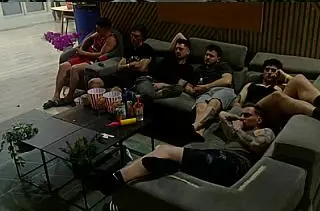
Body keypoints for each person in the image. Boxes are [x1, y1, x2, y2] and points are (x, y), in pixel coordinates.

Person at [92, 104, 274, 202]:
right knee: (160, 151)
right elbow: (222, 115)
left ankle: (114, 180)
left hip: (234, 164)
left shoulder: (265, 131)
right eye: (242, 114)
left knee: (165, 150)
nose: (242, 117)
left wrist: (238, 129)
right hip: (219, 159)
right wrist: (237, 118)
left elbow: (257, 145)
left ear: (259, 119)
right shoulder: (237, 130)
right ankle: (167, 167)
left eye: (247, 115)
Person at [46, 18, 117, 108]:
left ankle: (69, 97)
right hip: (85, 56)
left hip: (94, 61)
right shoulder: (98, 34)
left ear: (105, 29)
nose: (96, 31)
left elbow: (100, 54)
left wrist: (84, 53)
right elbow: (88, 40)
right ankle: (56, 96)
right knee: (63, 66)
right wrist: (82, 48)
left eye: (98, 29)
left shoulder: (111, 39)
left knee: (74, 69)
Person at [246, 70, 320, 130]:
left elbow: (304, 86)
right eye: (267, 69)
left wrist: (285, 76)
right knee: (277, 95)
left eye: (273, 70)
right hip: (257, 108)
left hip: (276, 108)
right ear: (262, 72)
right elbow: (238, 102)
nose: (269, 72)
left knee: (299, 78)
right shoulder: (251, 85)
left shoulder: (279, 86)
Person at [186, 45, 236, 138]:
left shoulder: (223, 65)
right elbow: (188, 85)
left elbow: (227, 81)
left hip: (223, 90)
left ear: (218, 58)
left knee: (213, 102)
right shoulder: (199, 69)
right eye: (206, 55)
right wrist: (192, 91)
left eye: (211, 56)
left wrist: (206, 86)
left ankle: (194, 126)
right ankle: (198, 134)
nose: (208, 57)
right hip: (205, 93)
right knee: (200, 107)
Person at [135, 34, 193, 102]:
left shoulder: (189, 68)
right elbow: (179, 35)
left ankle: (143, 96)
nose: (177, 51)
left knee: (179, 89)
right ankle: (148, 95)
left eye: (181, 49)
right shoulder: (169, 57)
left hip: (166, 88)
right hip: (150, 81)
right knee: (148, 91)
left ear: (188, 51)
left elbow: (179, 85)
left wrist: (163, 85)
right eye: (176, 49)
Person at [97, 24, 155, 91]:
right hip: (119, 76)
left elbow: (141, 68)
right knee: (94, 82)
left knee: (115, 90)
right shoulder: (128, 48)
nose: (133, 38)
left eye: (136, 36)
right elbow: (119, 67)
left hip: (132, 79)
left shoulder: (147, 49)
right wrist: (130, 65)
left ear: (142, 37)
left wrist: (126, 66)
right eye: (132, 35)